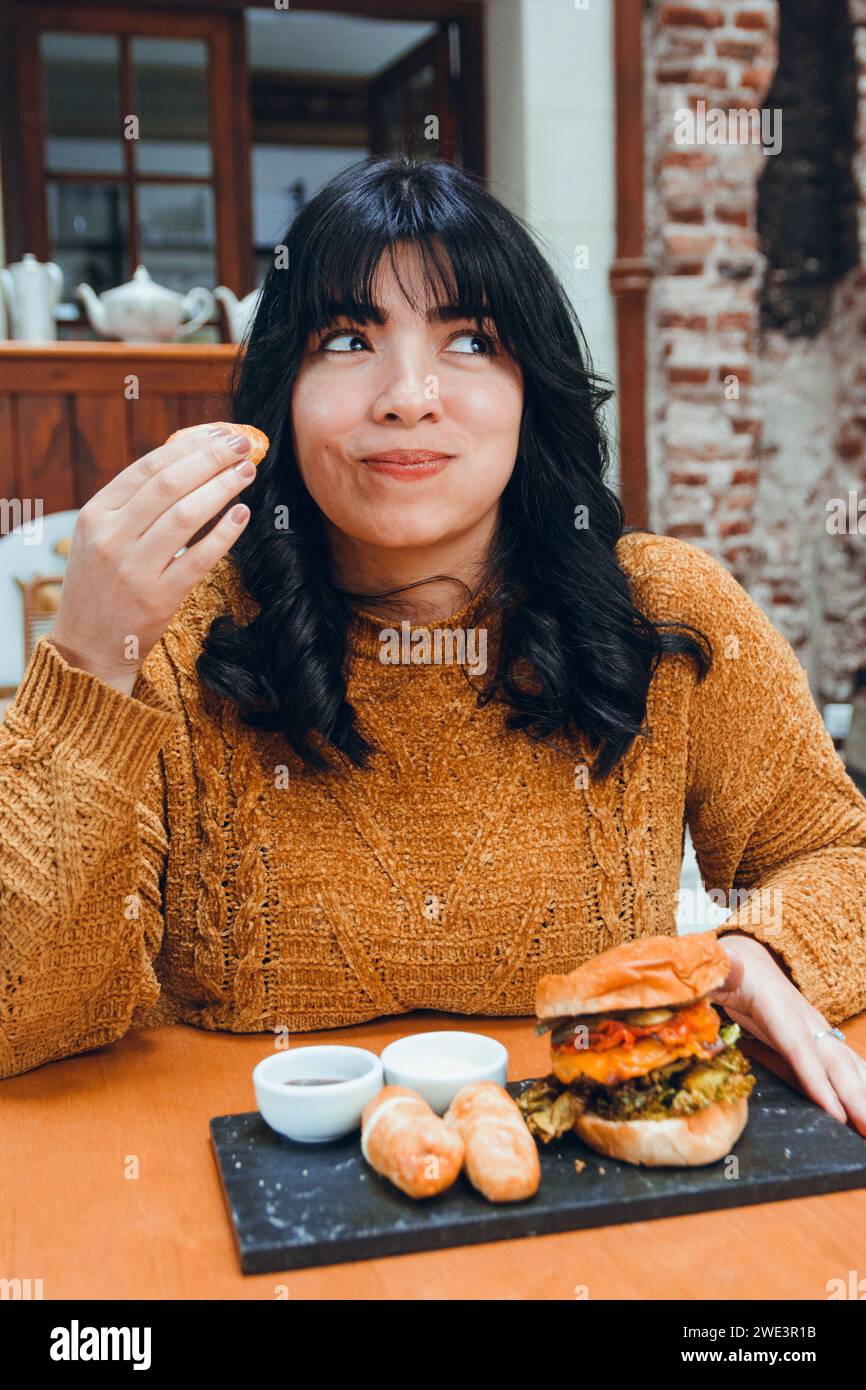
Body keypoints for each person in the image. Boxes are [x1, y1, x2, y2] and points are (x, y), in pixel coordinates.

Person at [2, 155, 865, 1138]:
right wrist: (85, 661)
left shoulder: (663, 605)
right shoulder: (174, 632)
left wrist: (756, 953)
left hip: (575, 1198)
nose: (407, 396)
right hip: (228, 1203)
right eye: (343, 339)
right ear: (276, 396)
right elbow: (26, 1009)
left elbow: (832, 853)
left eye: (466, 339)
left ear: (528, 388)